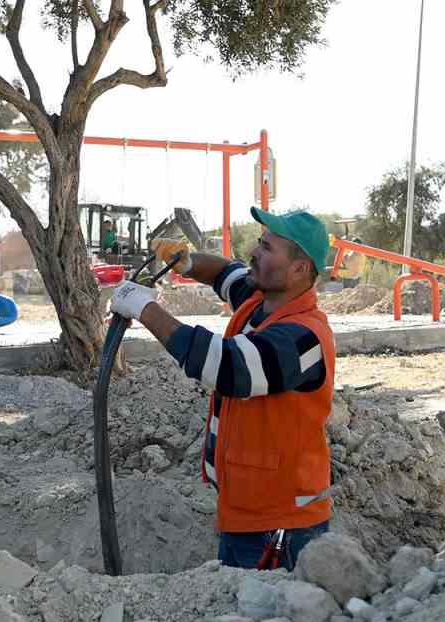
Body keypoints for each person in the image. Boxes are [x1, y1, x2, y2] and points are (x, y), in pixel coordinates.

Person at [109, 208, 335, 570]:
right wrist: (188, 263)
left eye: (266, 247)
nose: (254, 253)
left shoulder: (303, 338)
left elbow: (226, 367)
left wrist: (144, 308)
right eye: (259, 243)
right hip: (247, 510)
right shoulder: (259, 302)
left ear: (299, 270)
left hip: (281, 523)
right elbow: (226, 273)